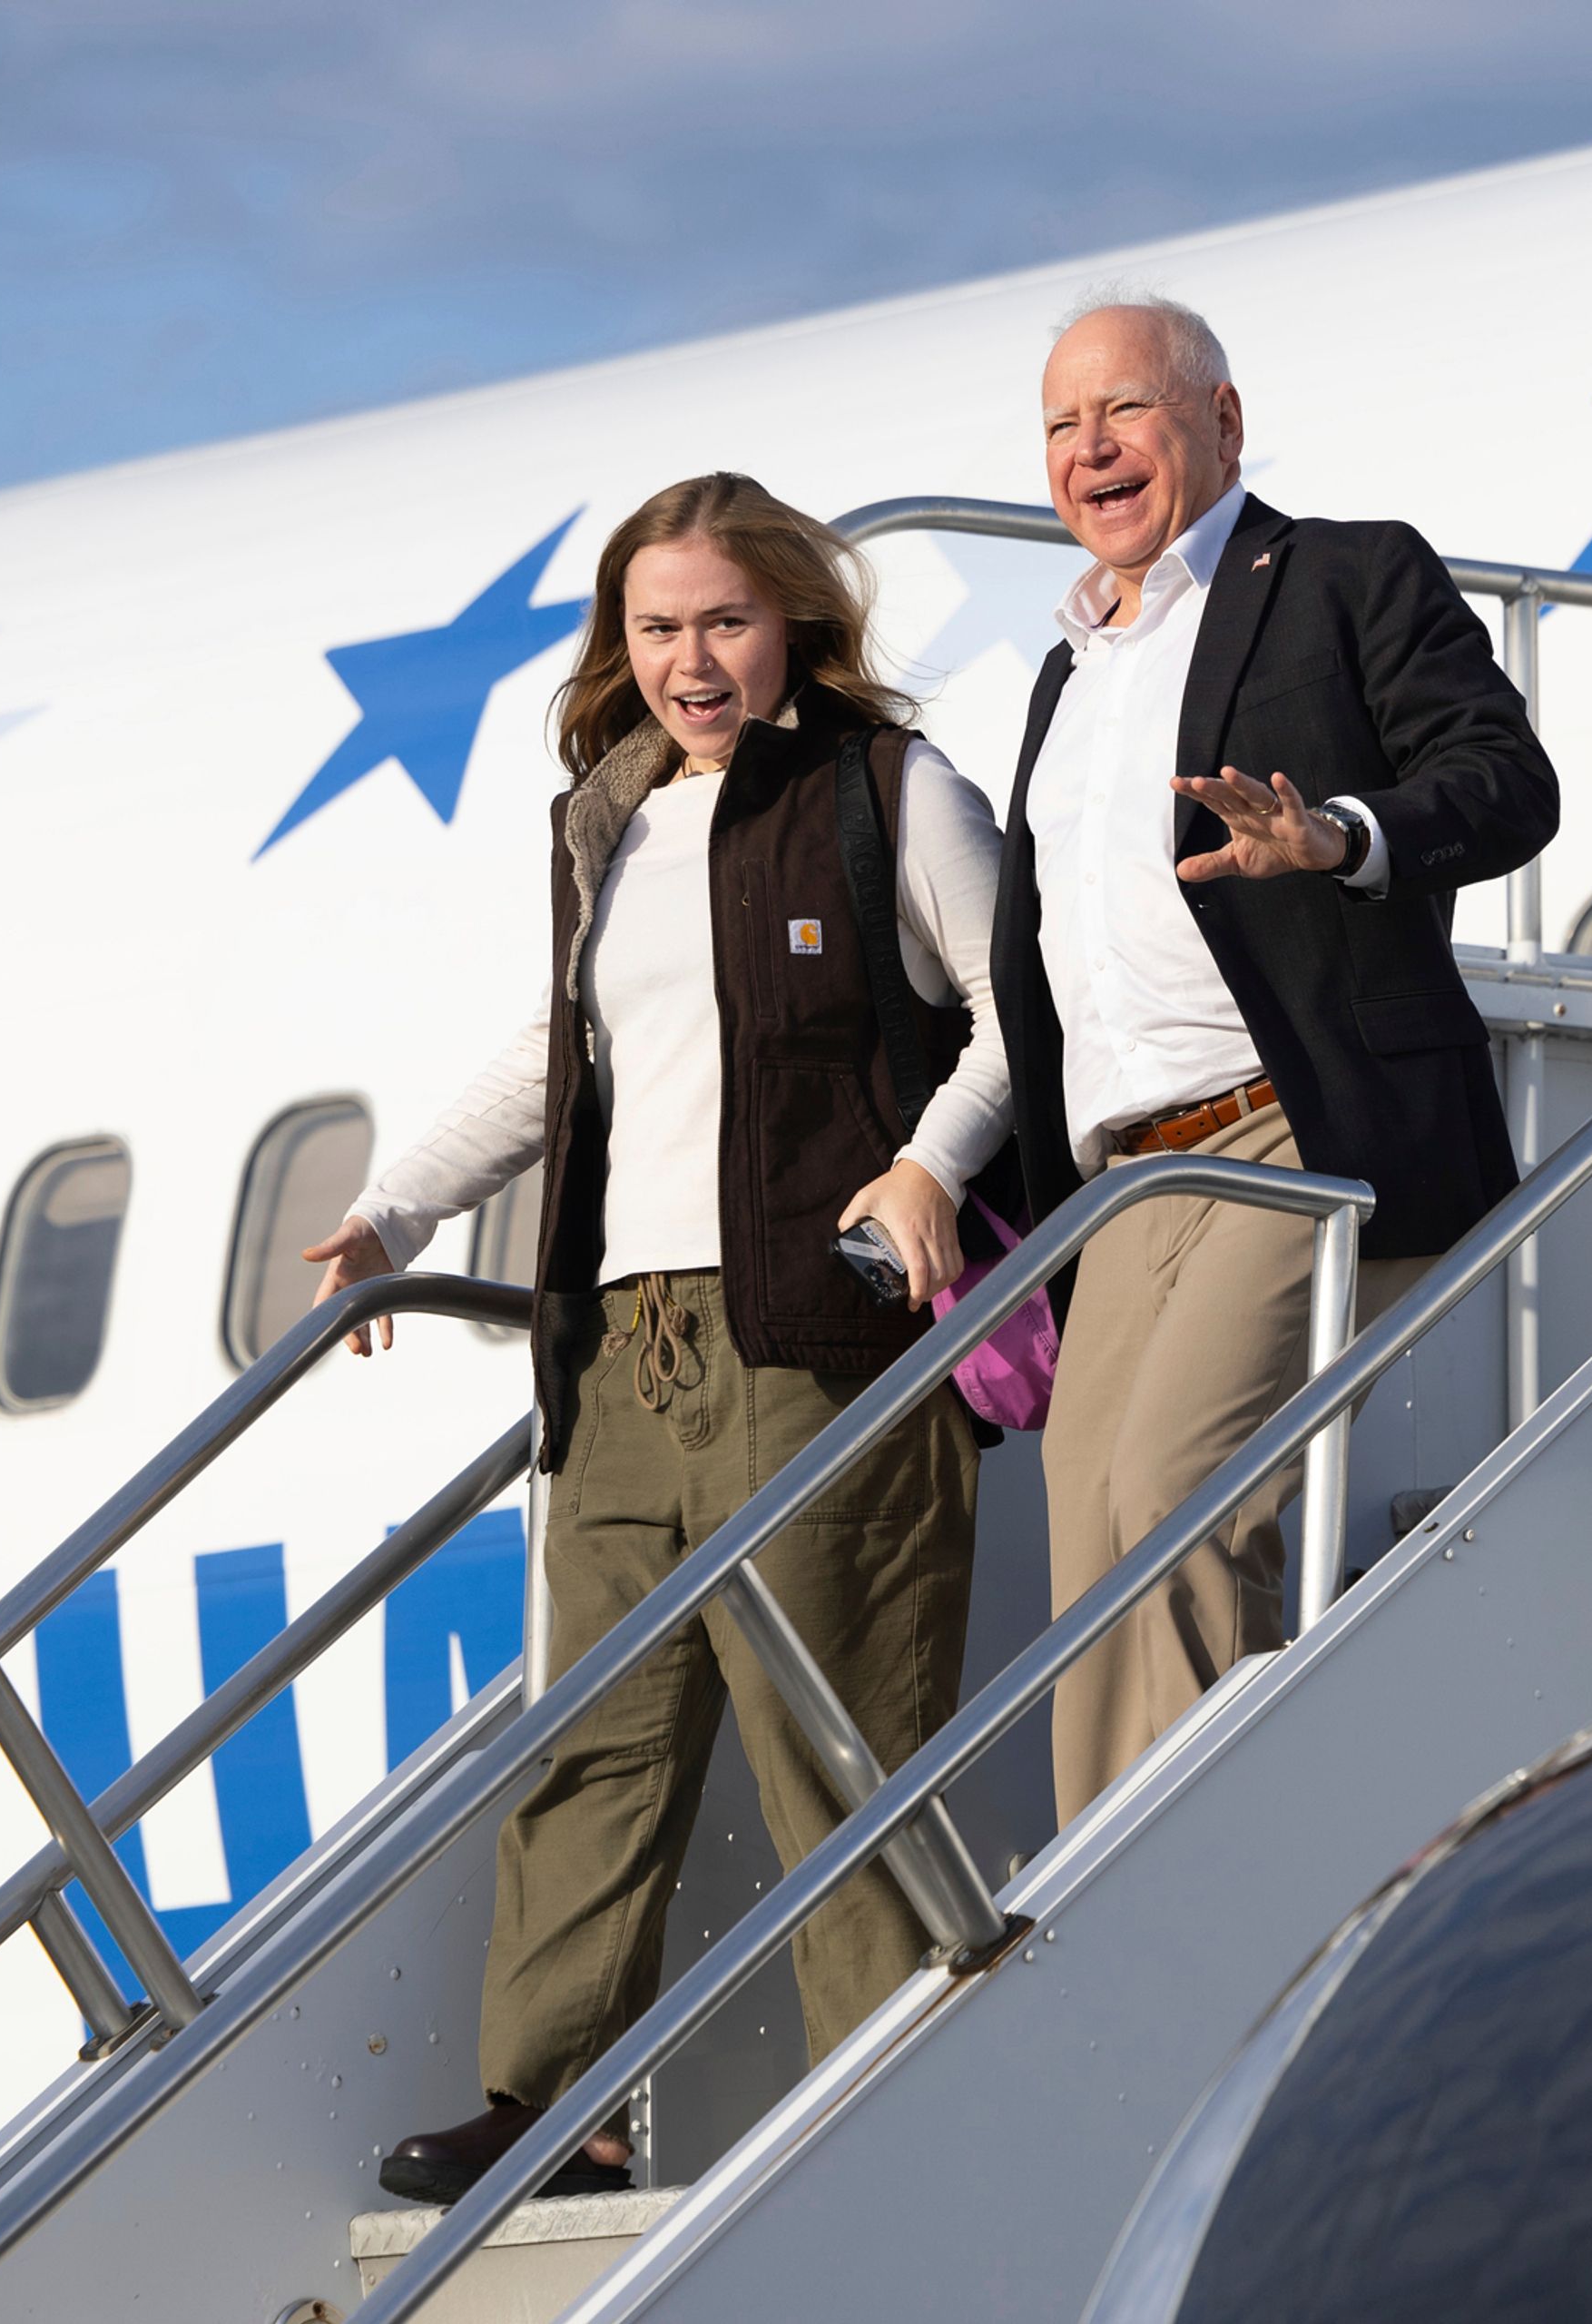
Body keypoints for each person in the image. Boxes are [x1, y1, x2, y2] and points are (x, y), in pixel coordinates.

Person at [300, 473, 1014, 2204]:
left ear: (795, 626)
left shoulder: (894, 795)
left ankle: (885, 2087)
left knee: (831, 1734)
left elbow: (1022, 1014)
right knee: (598, 1741)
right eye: (656, 628)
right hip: (628, 1350)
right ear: (618, 648)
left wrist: (928, 1166)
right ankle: (552, 2109)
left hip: (816, 1334)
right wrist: (394, 1210)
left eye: (724, 622)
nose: (692, 661)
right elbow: (568, 1063)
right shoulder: (608, 824)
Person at [995, 294, 1558, 1821]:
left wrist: (1342, 838)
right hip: (1125, 1177)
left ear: (1222, 424)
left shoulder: (1341, 575)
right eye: (1062, 424)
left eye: (1127, 410)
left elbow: (1507, 785)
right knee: (1092, 1544)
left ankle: (1176, 1878)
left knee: (1181, 1496)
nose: (1091, 448)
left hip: (1287, 1126)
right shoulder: (1062, 671)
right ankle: (1095, 1888)